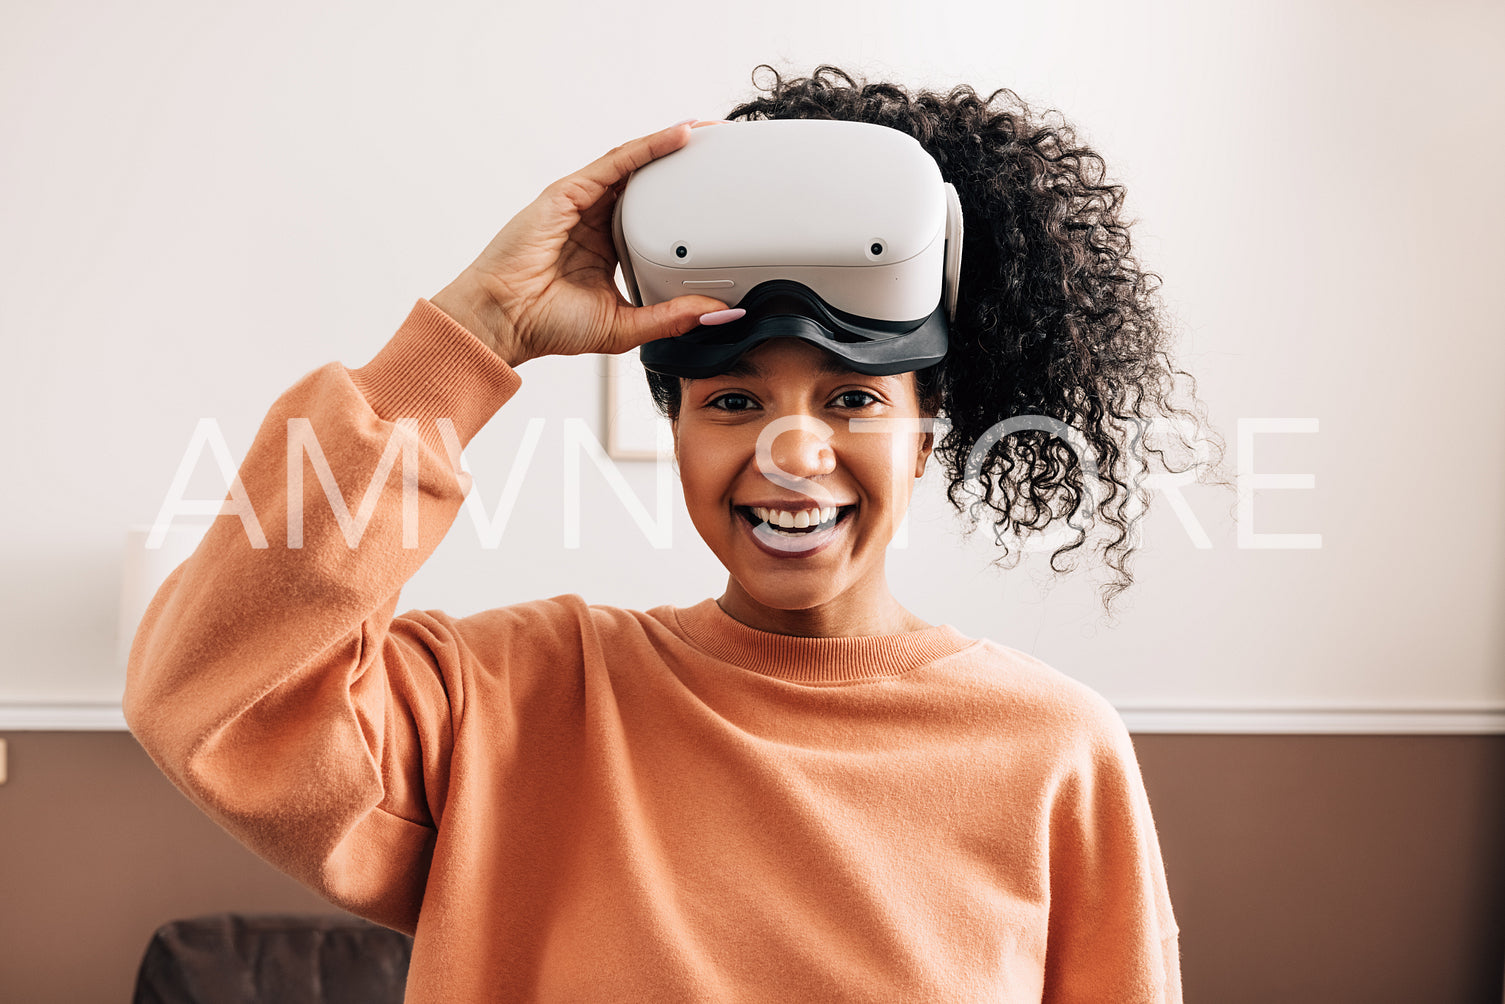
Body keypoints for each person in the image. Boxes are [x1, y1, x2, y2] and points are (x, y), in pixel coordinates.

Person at [126, 64, 1217, 1002]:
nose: (791, 452)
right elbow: (208, 691)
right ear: (679, 435)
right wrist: (473, 332)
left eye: (851, 400)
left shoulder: (1054, 750)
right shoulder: (512, 699)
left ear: (925, 436)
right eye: (732, 402)